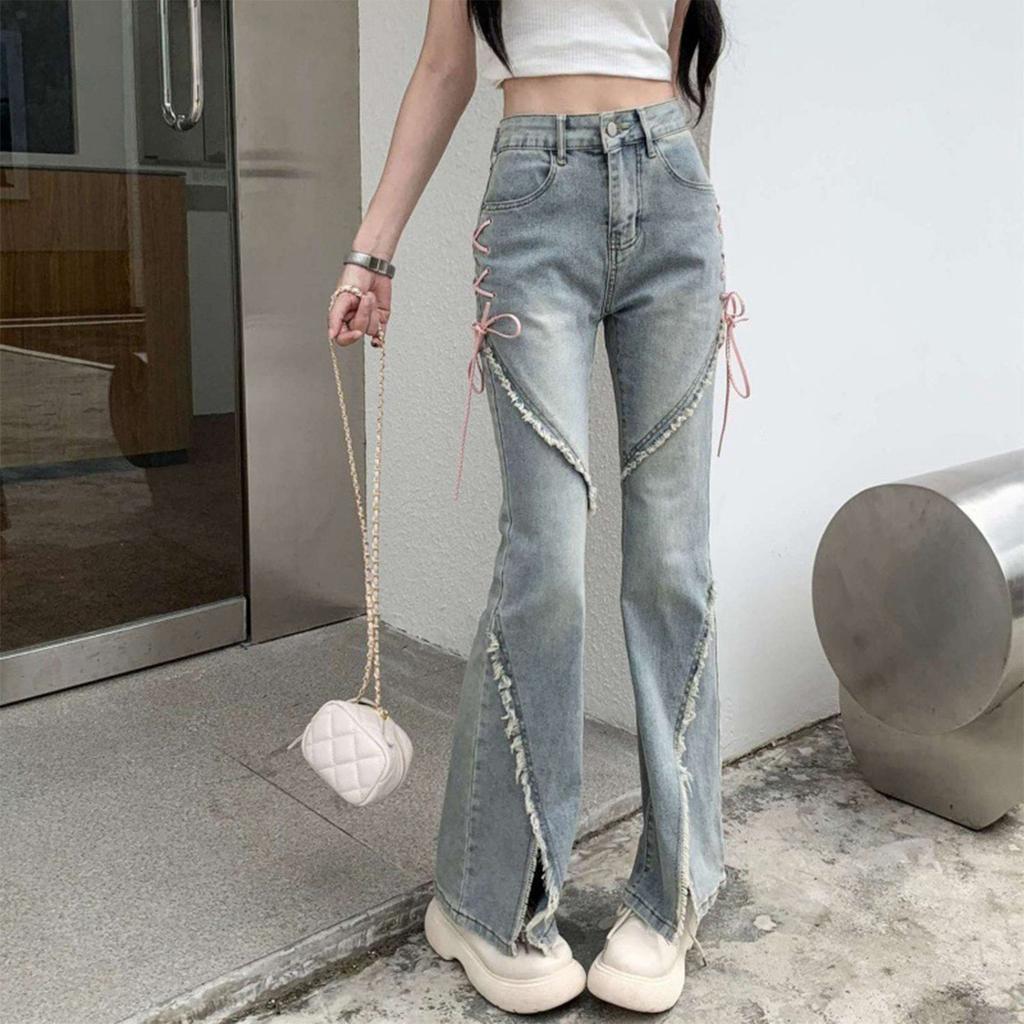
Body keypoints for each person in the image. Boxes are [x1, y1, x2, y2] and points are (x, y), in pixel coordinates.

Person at [328, 0, 744, 1014]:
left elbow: (674, 50)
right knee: (545, 562)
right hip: (534, 195)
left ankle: (674, 891)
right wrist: (372, 249)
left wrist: (668, 166)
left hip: (670, 186)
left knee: (670, 561)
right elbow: (445, 64)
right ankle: (487, 901)